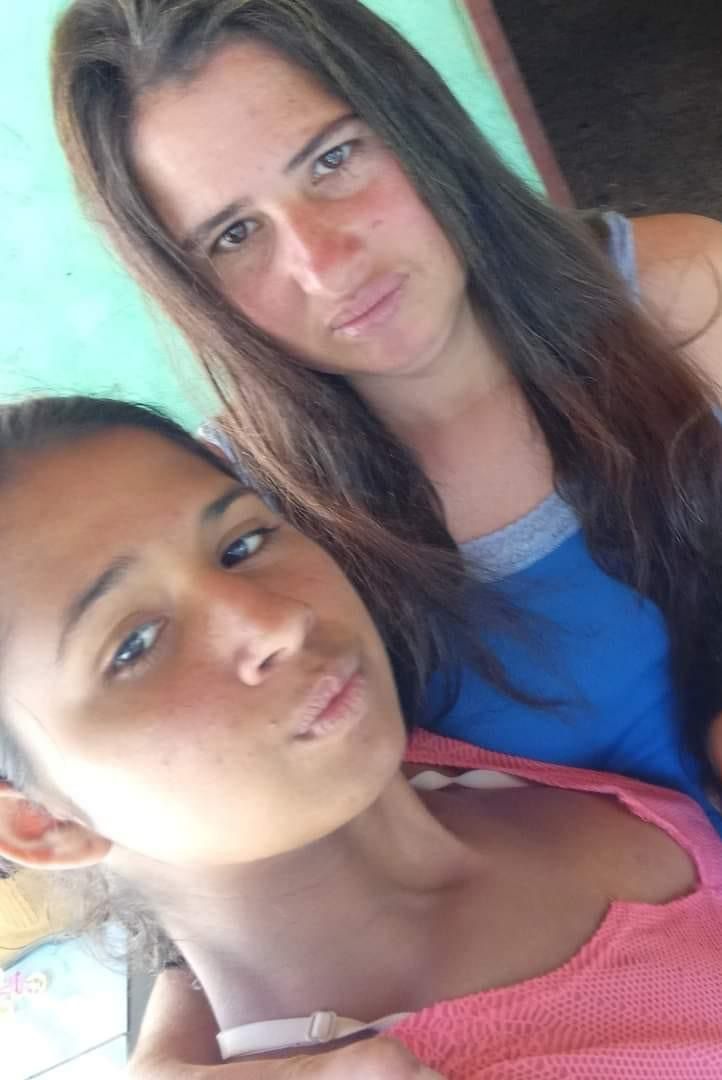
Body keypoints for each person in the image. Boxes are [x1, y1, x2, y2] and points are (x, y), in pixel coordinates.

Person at [48, 0, 722, 1071]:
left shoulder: (678, 297)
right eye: (233, 235)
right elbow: (195, 821)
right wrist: (167, 1050)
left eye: (332, 159)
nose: (324, 264)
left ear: (412, 120)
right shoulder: (248, 526)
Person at [0, 394, 721, 1080]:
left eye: (241, 544)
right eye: (134, 645)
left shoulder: (413, 760)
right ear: (39, 820)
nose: (280, 620)